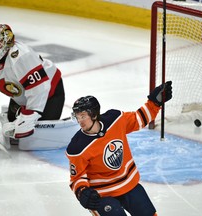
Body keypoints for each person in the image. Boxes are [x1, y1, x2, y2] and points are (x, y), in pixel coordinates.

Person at [65, 81, 172, 216]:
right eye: (77, 116)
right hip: (102, 194)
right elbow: (77, 178)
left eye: (83, 116)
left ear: (93, 114)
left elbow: (139, 119)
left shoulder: (115, 119)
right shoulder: (77, 147)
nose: (80, 121)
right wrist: (82, 192)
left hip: (128, 185)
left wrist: (154, 103)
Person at [0, 24, 65, 140]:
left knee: (37, 136)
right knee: (15, 129)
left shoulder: (22, 57)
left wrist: (28, 117)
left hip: (50, 94)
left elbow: (40, 88)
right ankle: (20, 113)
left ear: (8, 41)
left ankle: (29, 114)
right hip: (21, 97)